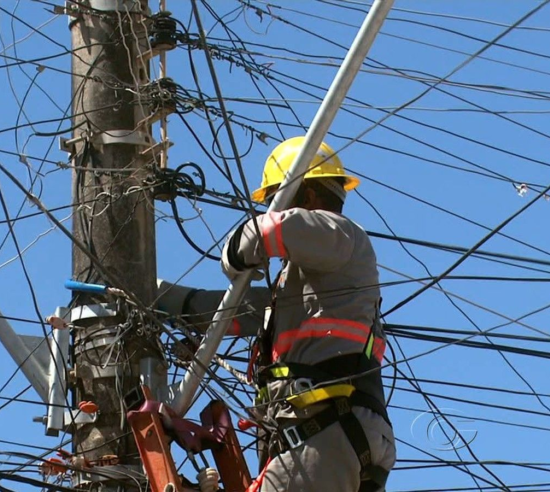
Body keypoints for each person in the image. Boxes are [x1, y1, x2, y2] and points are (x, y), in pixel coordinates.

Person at [156, 136, 396, 491]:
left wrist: (235, 255)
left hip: (326, 427)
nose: (270, 209)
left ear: (307, 196)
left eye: (275, 200)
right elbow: (233, 313)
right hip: (331, 432)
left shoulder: (340, 234)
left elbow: (262, 233)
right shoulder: (312, 285)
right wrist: (163, 298)